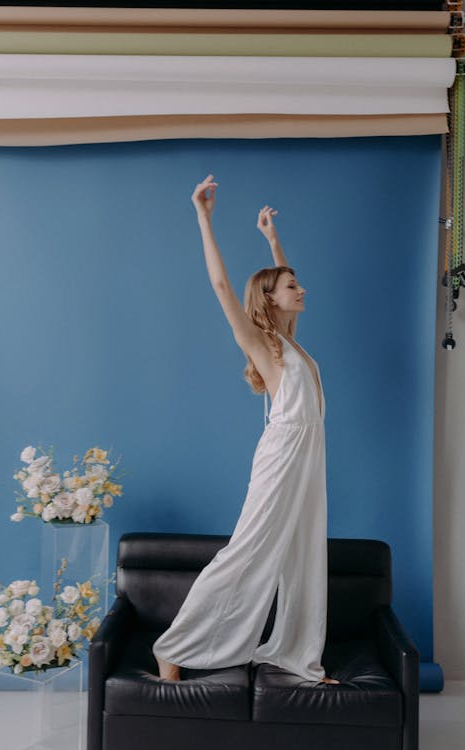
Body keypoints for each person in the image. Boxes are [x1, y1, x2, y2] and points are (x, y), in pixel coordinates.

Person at [152, 173, 340, 685]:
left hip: (309, 454)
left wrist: (273, 241)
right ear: (272, 299)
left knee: (302, 549)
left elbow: (278, 282)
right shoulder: (261, 344)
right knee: (248, 549)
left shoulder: (289, 343)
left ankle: (299, 656)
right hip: (283, 454)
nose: (302, 290)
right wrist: (203, 218)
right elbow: (220, 285)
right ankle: (173, 646)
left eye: (297, 283)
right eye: (292, 286)